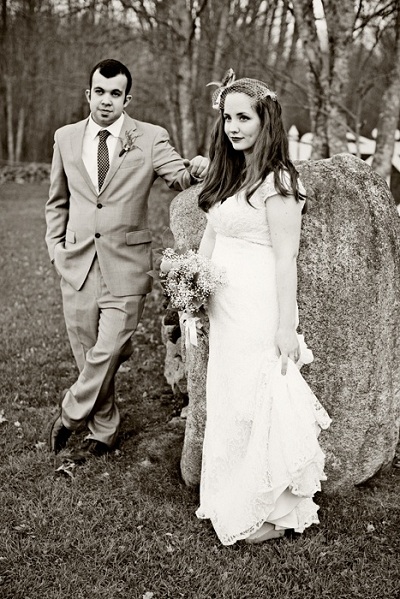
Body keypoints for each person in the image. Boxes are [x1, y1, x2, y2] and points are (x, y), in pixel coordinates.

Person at [195, 70, 331, 545]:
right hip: (222, 312)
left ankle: (273, 509)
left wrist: (285, 327)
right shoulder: (228, 174)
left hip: (257, 311)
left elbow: (285, 257)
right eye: (228, 117)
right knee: (230, 403)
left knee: (258, 403)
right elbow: (212, 235)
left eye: (243, 117)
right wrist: (191, 287)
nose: (233, 127)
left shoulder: (280, 181)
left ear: (265, 120)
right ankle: (231, 494)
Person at [46, 58, 208, 457]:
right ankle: (105, 427)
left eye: (114, 94)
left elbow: (179, 176)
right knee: (89, 354)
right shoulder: (65, 138)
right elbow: (57, 202)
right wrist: (55, 250)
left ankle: (70, 412)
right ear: (88, 94)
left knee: (109, 349)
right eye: (99, 92)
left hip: (126, 266)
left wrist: (199, 167)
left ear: (126, 98)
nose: (105, 101)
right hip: (78, 265)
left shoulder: (150, 138)